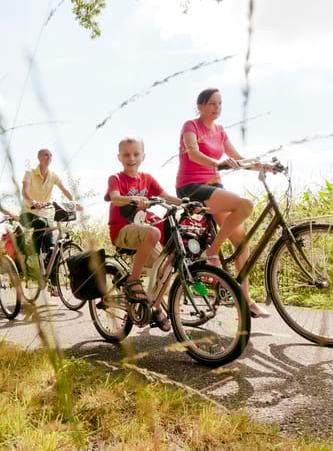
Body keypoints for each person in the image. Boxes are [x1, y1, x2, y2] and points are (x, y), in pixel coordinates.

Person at [175, 88, 271, 318]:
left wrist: (264, 166)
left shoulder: (219, 130)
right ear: (200, 106)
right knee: (245, 204)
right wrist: (217, 164)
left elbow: (238, 158)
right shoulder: (191, 126)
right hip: (192, 187)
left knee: (242, 242)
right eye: (211, 103)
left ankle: (245, 300)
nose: (217, 108)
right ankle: (213, 251)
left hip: (214, 187)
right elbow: (193, 153)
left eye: (219, 104)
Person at [105, 137, 181, 332]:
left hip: (143, 232)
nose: (131, 158)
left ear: (143, 157)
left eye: (136, 154)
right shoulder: (116, 178)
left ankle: (155, 307)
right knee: (153, 231)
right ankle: (133, 280)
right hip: (121, 230)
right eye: (126, 155)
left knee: (168, 265)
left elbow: (167, 197)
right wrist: (133, 199)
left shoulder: (147, 178)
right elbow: (115, 198)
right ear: (119, 157)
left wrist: (188, 203)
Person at [20, 148, 80, 264]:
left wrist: (73, 202)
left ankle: (51, 268)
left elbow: (64, 190)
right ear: (39, 157)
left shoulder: (53, 176)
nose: (49, 157)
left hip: (44, 215)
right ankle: (33, 255)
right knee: (41, 223)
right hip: (27, 213)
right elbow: (24, 191)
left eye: (51, 155)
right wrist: (33, 202)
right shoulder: (30, 173)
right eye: (46, 155)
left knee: (51, 245)